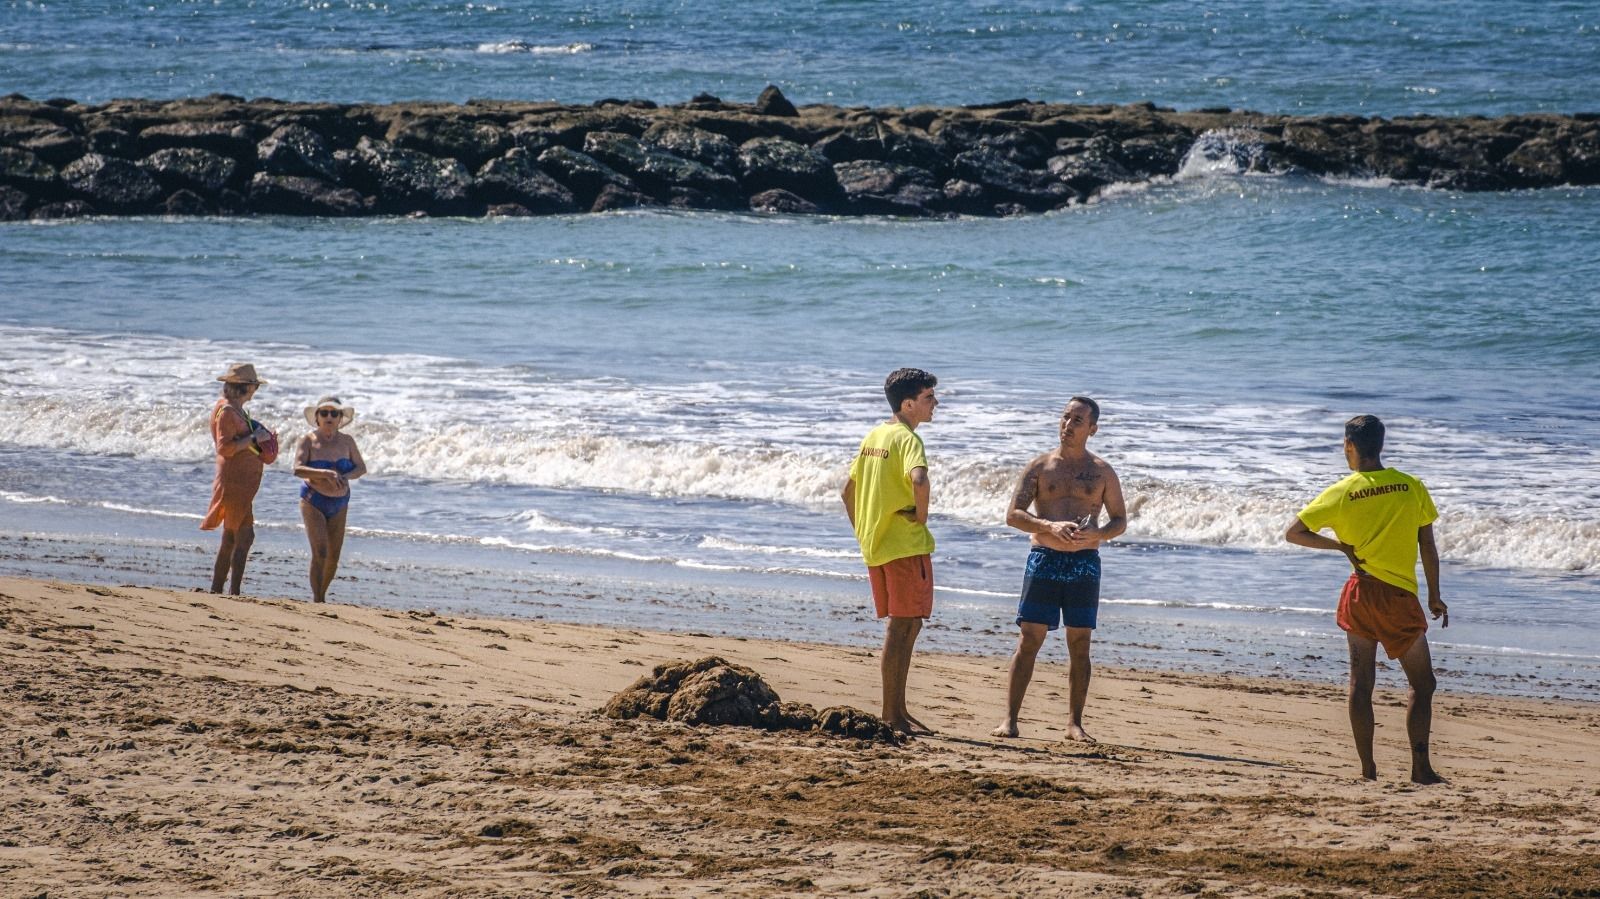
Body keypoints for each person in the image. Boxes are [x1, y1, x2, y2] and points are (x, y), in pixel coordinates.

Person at [1285, 414, 1448, 784]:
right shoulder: (1411, 487)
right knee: (1422, 685)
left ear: (1349, 446)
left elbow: (1294, 533)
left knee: (1361, 682)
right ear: (1382, 445)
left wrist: (1341, 546)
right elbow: (1427, 544)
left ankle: (1367, 770)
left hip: (1359, 593)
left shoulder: (1340, 492)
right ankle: (1420, 769)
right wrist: (1435, 596)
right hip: (1398, 599)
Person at [992, 396, 1126, 743]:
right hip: (1045, 559)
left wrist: (1098, 534)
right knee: (1030, 639)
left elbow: (1120, 520)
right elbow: (1013, 515)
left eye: (1077, 420)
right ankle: (1009, 720)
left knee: (1080, 643)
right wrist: (1049, 527)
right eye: (1065, 417)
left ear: (1092, 429)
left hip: (1084, 564)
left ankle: (1074, 724)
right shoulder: (1040, 467)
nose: (1068, 425)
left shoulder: (1102, 471)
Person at [841, 368, 939, 735]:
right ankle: (892, 714)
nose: (936, 404)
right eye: (929, 398)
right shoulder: (907, 439)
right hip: (905, 548)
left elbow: (846, 491)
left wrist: (865, 532)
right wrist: (922, 515)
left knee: (904, 627)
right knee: (904, 628)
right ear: (908, 404)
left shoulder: (874, 436)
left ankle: (898, 709)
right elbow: (920, 479)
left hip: (879, 548)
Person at [201, 363, 276, 595]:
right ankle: (225, 591)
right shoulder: (227, 412)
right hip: (234, 481)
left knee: (241, 536)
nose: (255, 391)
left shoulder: (233, 409)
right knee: (234, 537)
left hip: (241, 483)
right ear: (245, 388)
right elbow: (225, 448)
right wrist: (255, 438)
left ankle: (229, 590)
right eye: (254, 387)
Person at [293, 396, 366, 603]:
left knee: (334, 556)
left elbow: (361, 468)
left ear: (340, 418)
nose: (329, 417)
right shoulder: (308, 440)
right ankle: (317, 599)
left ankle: (321, 595)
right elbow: (297, 469)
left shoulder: (347, 441)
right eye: (324, 413)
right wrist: (325, 473)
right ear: (317, 417)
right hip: (312, 499)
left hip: (340, 501)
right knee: (321, 552)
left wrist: (346, 476)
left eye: (334, 413)